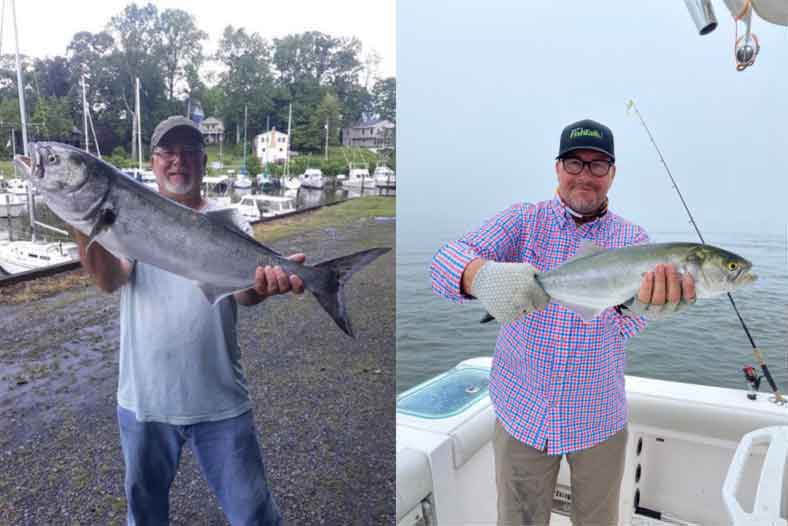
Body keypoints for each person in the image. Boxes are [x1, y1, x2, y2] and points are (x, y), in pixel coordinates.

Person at [430, 118, 695, 526]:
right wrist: (478, 275)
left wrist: (639, 309)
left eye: (598, 165)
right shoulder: (523, 221)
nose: (585, 175)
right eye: (574, 163)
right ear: (557, 168)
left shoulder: (634, 241)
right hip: (522, 414)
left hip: (598, 418)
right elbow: (444, 261)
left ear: (612, 174)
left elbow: (622, 327)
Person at [74, 116, 303, 526]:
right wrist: (84, 223)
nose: (178, 161)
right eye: (168, 152)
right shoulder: (127, 214)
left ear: (204, 160)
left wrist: (266, 285)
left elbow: (245, 295)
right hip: (145, 401)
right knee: (144, 515)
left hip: (219, 400)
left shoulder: (229, 219)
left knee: (253, 515)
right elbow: (110, 280)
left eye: (189, 152)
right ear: (154, 160)